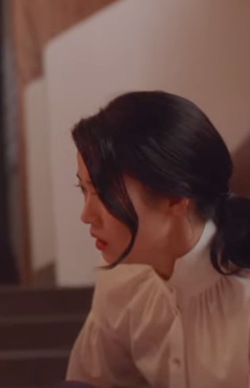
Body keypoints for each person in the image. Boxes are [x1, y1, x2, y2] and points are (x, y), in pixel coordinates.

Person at [66, 91, 250, 388]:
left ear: (175, 197)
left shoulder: (243, 301)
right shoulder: (121, 280)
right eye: (84, 190)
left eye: (103, 193)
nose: (86, 215)